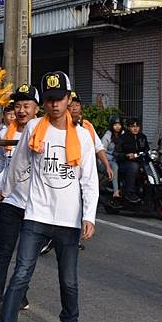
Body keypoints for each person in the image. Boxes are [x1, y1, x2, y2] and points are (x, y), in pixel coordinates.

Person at [0, 71, 98, 322]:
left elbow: (89, 180)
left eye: (60, 98)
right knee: (21, 273)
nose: (55, 104)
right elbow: (18, 164)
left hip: (68, 220)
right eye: (50, 99)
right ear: (44, 102)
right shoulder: (34, 127)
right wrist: (5, 191)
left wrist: (89, 216)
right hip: (37, 216)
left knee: (69, 281)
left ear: (69, 99)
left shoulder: (84, 136)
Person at [0, 83, 40, 322]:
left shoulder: (45, 131)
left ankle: (19, 294)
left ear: (36, 108)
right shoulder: (4, 133)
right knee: (3, 252)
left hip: (36, 206)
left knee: (26, 257)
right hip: (9, 201)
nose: (21, 110)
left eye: (26, 105)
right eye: (17, 106)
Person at [39, 91, 111, 255]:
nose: (74, 108)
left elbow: (98, 148)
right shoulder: (43, 127)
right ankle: (50, 238)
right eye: (72, 105)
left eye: (76, 104)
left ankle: (70, 239)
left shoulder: (86, 128)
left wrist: (106, 165)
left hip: (80, 173)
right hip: (55, 175)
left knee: (76, 205)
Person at [114, 118, 149, 203]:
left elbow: (147, 149)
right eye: (133, 126)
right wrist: (126, 156)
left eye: (137, 126)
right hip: (124, 163)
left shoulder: (142, 137)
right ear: (129, 127)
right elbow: (116, 153)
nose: (135, 128)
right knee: (134, 166)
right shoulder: (123, 138)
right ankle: (130, 193)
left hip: (140, 162)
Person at [101, 115, 123, 197]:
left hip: (118, 158)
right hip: (105, 160)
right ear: (111, 125)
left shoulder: (123, 134)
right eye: (115, 125)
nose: (118, 127)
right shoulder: (108, 135)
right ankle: (116, 191)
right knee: (115, 166)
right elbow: (102, 151)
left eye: (119, 124)